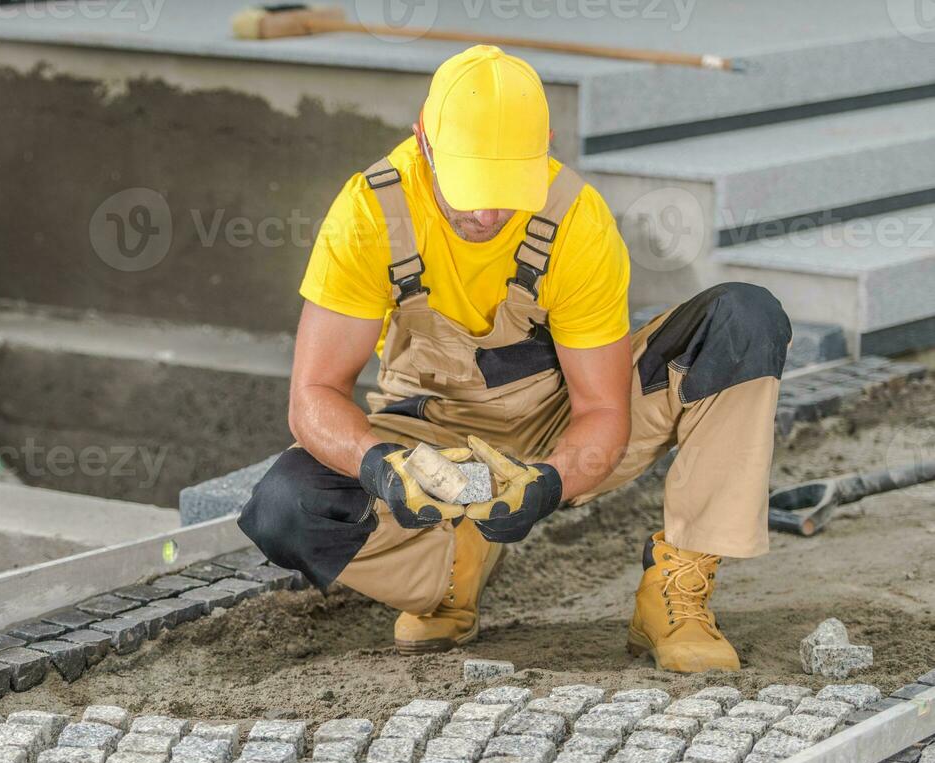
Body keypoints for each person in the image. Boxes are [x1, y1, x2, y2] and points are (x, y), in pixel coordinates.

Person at [239, 45, 790, 674]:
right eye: (472, 189)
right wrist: (386, 470)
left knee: (744, 318)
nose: (487, 214)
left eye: (506, 191)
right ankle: (448, 574)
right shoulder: (371, 212)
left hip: (559, 430)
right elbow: (313, 397)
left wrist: (546, 483)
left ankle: (675, 595)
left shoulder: (576, 218)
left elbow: (605, 408)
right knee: (286, 506)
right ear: (424, 142)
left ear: (544, 147)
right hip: (430, 437)